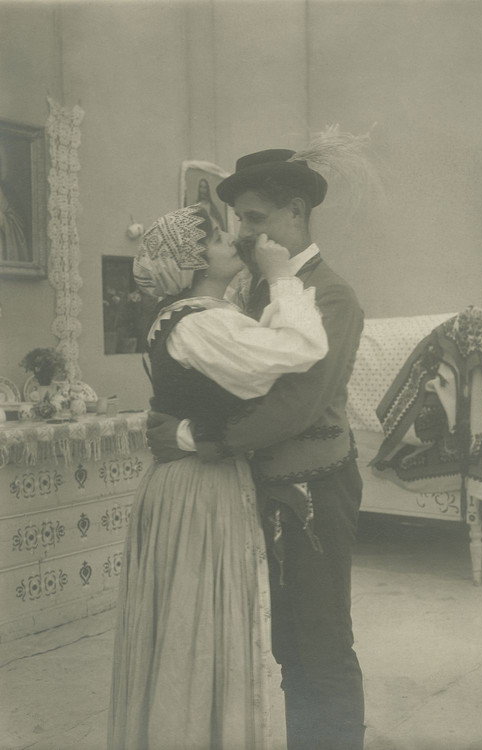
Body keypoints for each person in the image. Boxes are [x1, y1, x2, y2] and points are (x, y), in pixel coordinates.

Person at [146, 129, 375, 750]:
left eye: (255, 218)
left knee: (323, 639)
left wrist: (195, 439)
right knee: (288, 644)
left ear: (295, 212)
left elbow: (296, 406)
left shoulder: (331, 294)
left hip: (316, 488)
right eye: (239, 221)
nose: (244, 233)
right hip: (269, 488)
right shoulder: (257, 289)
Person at [107, 203, 328, 750]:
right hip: (198, 488)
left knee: (193, 620)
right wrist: (285, 278)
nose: (236, 241)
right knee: (195, 623)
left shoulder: (193, 315)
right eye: (220, 238)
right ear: (196, 261)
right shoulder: (200, 321)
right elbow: (300, 348)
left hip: (188, 480)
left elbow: (262, 367)